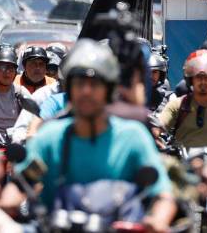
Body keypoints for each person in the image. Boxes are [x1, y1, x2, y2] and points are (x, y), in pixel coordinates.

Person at [15, 39, 176, 232]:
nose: (86, 91)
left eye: (94, 84)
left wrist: (157, 221)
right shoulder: (49, 138)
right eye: (79, 83)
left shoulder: (133, 137)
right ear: (69, 89)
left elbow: (163, 195)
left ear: (109, 90)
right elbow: (20, 185)